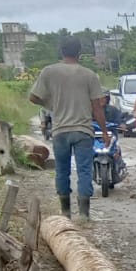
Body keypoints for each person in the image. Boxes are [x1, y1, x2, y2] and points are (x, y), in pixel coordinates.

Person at [28, 36, 108, 219]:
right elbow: (97, 107)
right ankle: (84, 214)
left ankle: (65, 212)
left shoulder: (49, 72)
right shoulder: (90, 75)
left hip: (60, 131)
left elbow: (33, 97)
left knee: (62, 170)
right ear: (79, 53)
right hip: (83, 130)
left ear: (61, 51)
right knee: (84, 170)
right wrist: (104, 132)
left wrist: (52, 105)